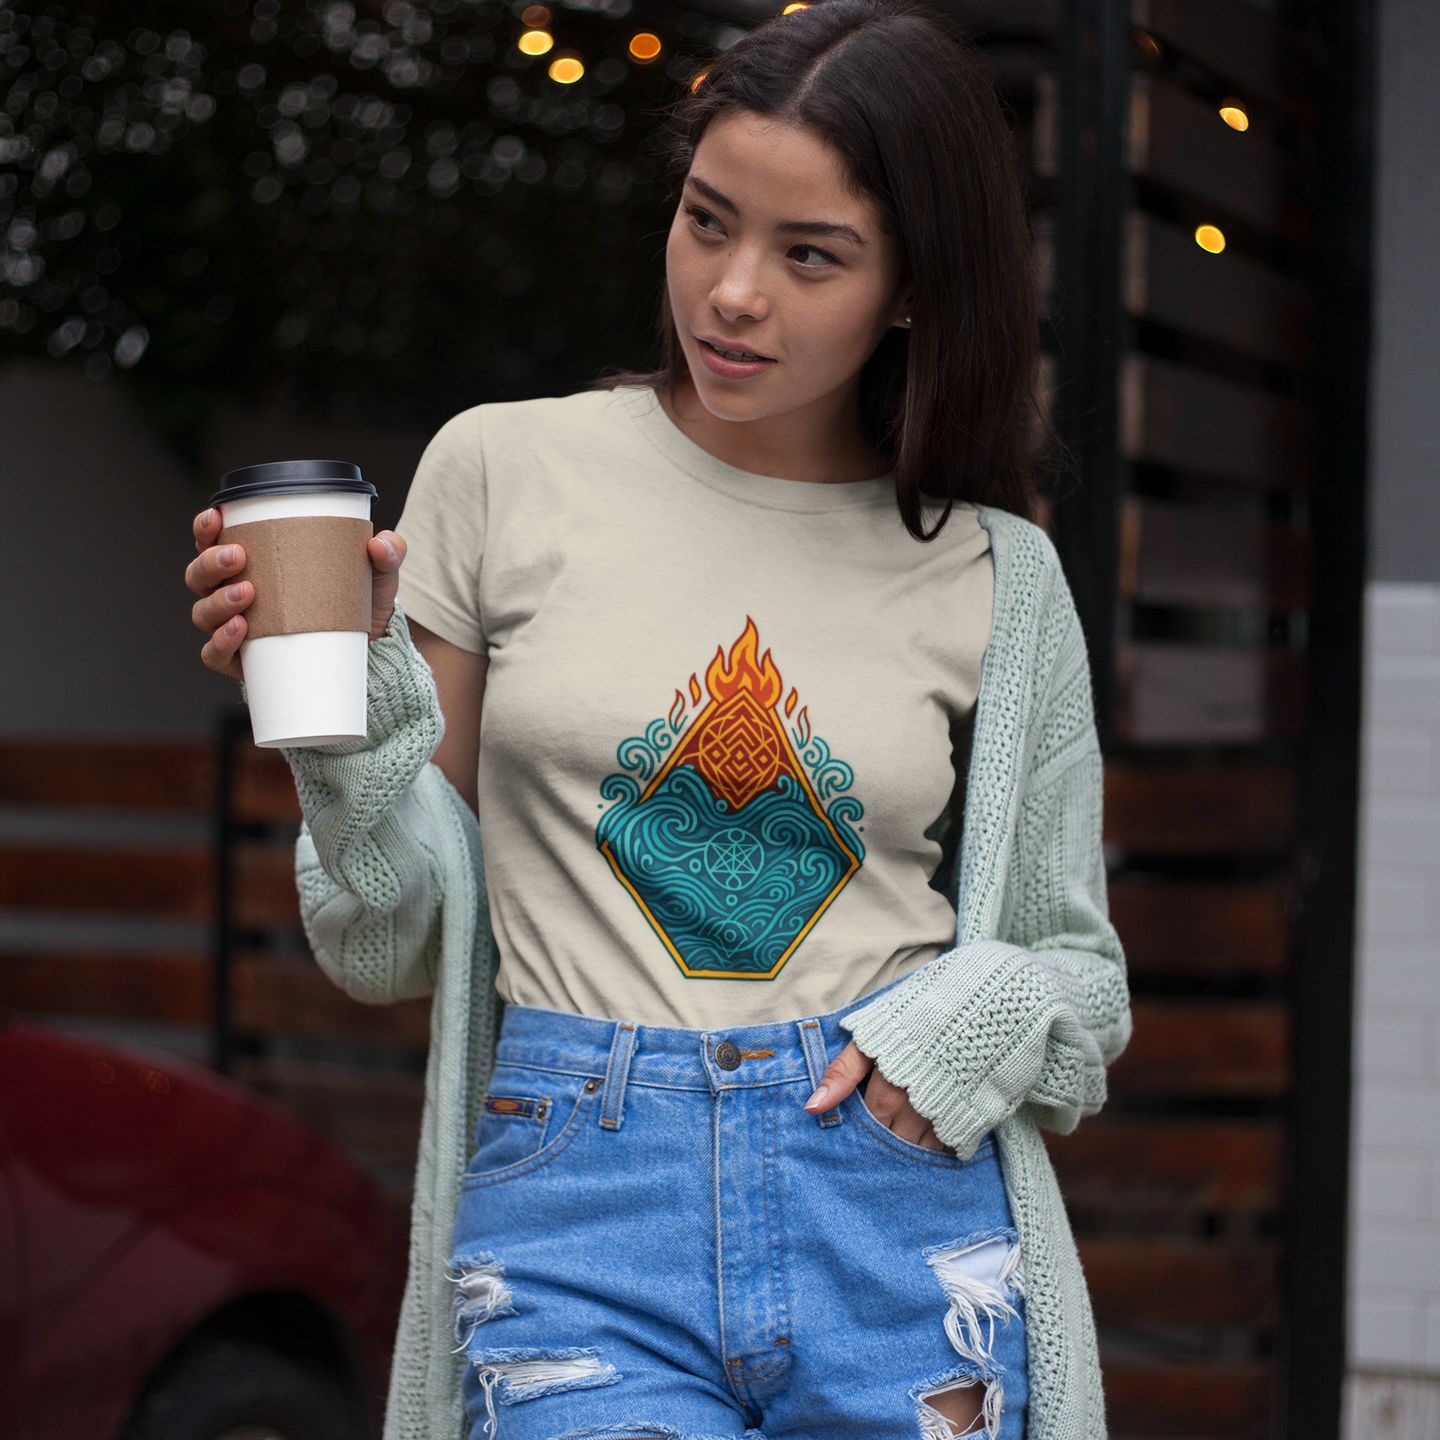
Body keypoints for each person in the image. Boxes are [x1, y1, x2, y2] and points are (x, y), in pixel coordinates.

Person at [187, 2, 1129, 1436]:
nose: (733, 291)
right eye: (707, 220)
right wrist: (345, 736)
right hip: (580, 1197)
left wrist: (965, 1022)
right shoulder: (504, 470)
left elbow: (1079, 975)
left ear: (915, 288)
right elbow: (387, 939)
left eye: (809, 254)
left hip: (894, 1202)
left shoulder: (999, 571)